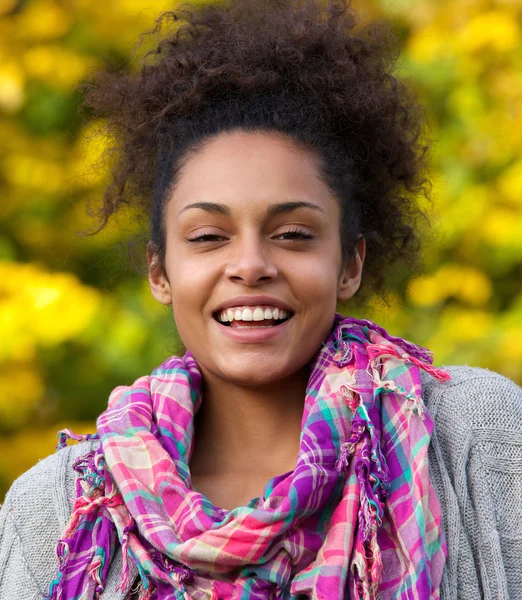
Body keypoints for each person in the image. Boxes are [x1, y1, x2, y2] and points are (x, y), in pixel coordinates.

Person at [1, 1, 521, 599]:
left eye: (293, 234)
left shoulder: (477, 440)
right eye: (208, 237)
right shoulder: (56, 507)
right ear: (159, 271)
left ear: (350, 263)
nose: (250, 264)